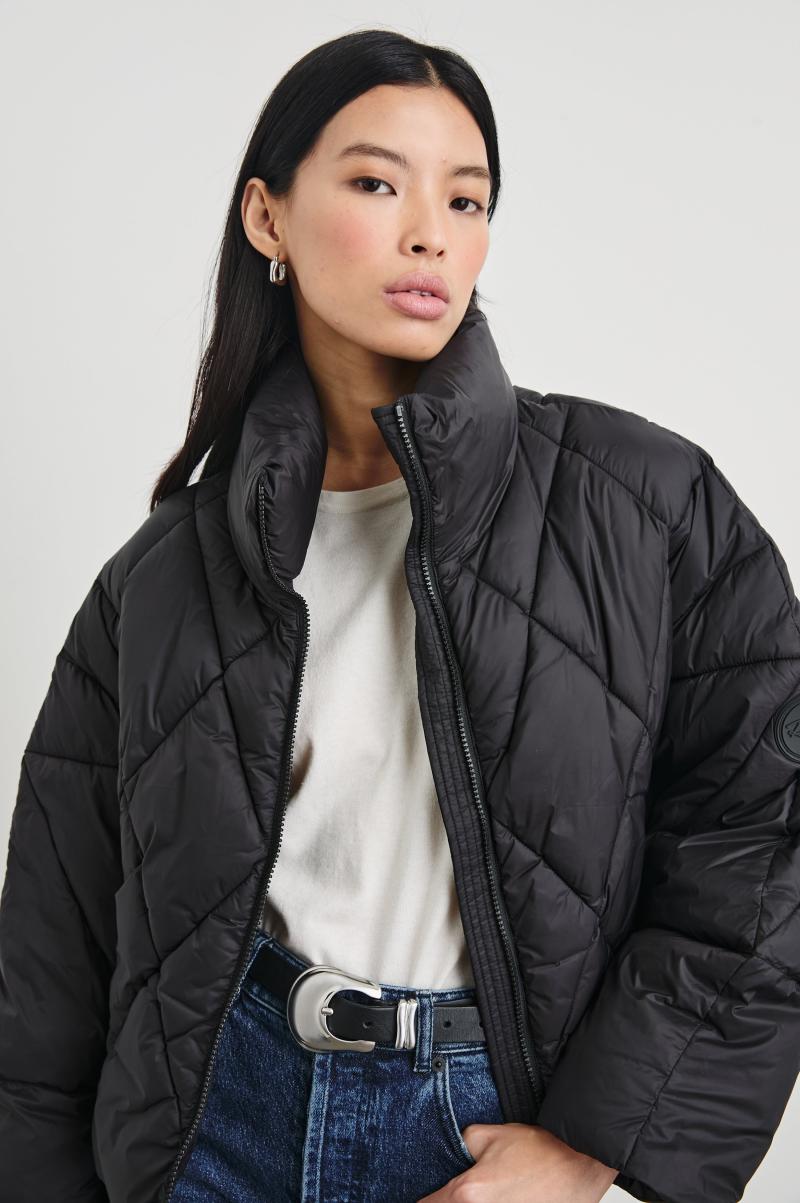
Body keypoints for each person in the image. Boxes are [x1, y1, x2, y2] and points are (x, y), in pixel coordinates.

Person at [1, 26, 798, 1203]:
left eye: (464, 200)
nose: (430, 231)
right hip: (211, 1128)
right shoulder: (158, 580)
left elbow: (761, 835)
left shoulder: (645, 508)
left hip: (478, 1129)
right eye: (377, 184)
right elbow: (53, 952)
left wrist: (586, 1145)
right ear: (267, 218)